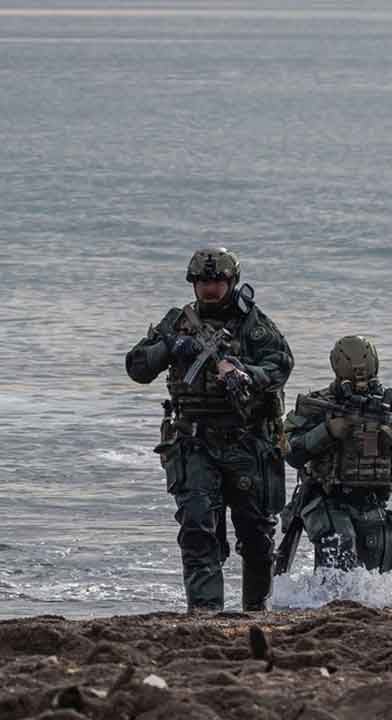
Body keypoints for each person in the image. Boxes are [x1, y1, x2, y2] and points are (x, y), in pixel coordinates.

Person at [125, 247, 293, 612]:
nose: (211, 288)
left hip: (247, 442)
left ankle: (257, 612)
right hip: (195, 442)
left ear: (231, 282)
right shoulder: (177, 322)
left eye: (218, 281)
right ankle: (204, 613)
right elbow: (137, 368)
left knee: (257, 537)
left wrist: (244, 373)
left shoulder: (253, 323)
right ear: (193, 284)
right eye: (204, 281)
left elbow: (281, 364)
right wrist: (171, 346)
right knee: (198, 530)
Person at [281, 336, 392, 573]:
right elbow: (291, 452)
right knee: (338, 553)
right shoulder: (320, 405)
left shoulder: (391, 404)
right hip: (328, 498)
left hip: (374, 500)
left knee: (375, 573)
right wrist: (328, 431)